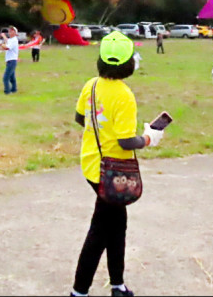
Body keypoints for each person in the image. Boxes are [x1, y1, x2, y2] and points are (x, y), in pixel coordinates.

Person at [70, 31, 165, 297]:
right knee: (100, 232)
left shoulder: (91, 85)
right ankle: (78, 292)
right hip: (112, 173)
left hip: (91, 164)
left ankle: (118, 285)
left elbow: (80, 118)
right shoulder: (123, 95)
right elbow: (125, 142)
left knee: (116, 225)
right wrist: (149, 138)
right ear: (128, 64)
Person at [0, 25, 19, 94]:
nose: (10, 32)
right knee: (12, 77)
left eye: (12, 31)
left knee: (6, 78)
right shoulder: (11, 40)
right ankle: (14, 89)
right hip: (10, 60)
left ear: (15, 33)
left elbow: (7, 47)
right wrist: (4, 36)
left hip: (12, 61)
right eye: (9, 31)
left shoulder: (14, 40)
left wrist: (0, 44)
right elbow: (7, 41)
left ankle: (7, 91)